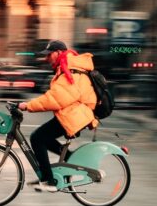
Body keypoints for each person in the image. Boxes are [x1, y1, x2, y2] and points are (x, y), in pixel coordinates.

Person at [18, 40, 97, 192]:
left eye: (49, 55)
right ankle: (72, 160)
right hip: (74, 112)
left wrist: (28, 106)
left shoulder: (70, 69)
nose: (46, 59)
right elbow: (57, 97)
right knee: (43, 138)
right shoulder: (67, 67)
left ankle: (49, 181)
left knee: (37, 138)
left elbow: (56, 98)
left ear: (59, 52)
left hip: (76, 114)